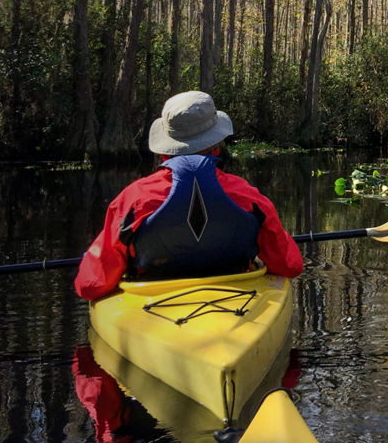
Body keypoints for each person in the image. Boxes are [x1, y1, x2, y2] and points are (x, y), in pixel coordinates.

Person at [75, 90, 303, 300]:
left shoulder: (134, 200)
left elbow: (91, 286)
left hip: (153, 299)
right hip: (236, 295)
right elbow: (289, 266)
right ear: (216, 144)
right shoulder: (247, 197)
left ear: (165, 149)